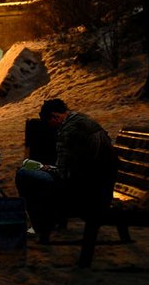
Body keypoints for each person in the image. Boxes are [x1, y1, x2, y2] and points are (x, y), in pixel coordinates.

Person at [15, 98, 117, 244]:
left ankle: (38, 223)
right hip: (102, 185)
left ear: (55, 116)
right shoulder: (82, 120)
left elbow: (63, 174)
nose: (51, 127)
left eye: (50, 122)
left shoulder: (68, 131)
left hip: (85, 189)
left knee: (23, 172)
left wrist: (45, 168)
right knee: (33, 171)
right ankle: (42, 221)